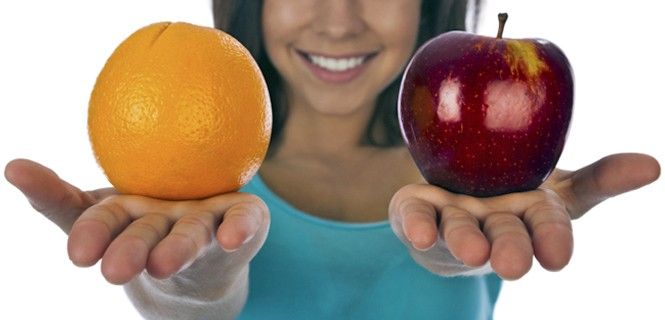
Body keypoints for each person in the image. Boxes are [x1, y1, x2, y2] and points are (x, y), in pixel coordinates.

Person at [4, 0, 660, 319]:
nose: (338, 22)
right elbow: (183, 298)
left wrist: (448, 256)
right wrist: (191, 284)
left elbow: (461, 250)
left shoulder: (474, 185)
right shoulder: (187, 182)